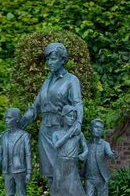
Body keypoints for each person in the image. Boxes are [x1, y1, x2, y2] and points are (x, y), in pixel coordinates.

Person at [20, 42, 83, 186]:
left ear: (63, 60)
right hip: (45, 130)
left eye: (53, 59)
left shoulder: (71, 80)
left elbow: (77, 103)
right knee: (49, 172)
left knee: (63, 171)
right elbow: (35, 108)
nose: (49, 63)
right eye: (48, 59)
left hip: (61, 130)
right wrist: (20, 125)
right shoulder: (46, 82)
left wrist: (78, 123)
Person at [0, 108, 32, 196]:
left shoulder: (24, 136)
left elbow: (28, 155)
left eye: (9, 118)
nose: (6, 120)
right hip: (7, 171)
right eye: (5, 118)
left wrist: (29, 172)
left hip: (20, 170)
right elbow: (0, 155)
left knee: (21, 194)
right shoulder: (4, 136)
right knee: (9, 194)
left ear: (17, 119)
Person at [51, 105, 88, 196]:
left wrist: (84, 153)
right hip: (60, 164)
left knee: (73, 189)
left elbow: (86, 148)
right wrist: (68, 134)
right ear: (63, 117)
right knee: (59, 188)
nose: (72, 118)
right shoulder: (56, 133)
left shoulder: (79, 134)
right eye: (69, 116)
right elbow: (56, 145)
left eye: (74, 117)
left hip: (72, 164)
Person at [83, 119, 117, 196]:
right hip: (88, 178)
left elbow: (109, 153)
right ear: (90, 128)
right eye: (96, 127)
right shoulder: (86, 144)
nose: (99, 129)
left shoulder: (105, 144)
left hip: (101, 178)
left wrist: (112, 154)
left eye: (101, 128)